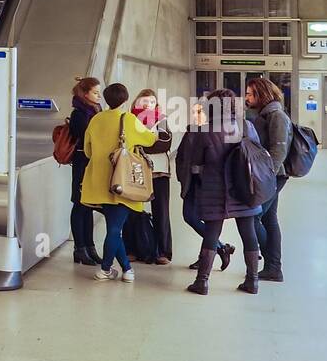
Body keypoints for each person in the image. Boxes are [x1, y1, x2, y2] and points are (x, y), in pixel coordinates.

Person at [184, 88, 268, 296]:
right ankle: (252, 281)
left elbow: (195, 165)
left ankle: (202, 282)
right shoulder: (246, 126)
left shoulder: (205, 131)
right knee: (248, 232)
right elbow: (256, 154)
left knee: (212, 234)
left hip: (215, 189)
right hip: (245, 188)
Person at [80, 82, 157, 281]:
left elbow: (88, 150)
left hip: (99, 180)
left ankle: (127, 270)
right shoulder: (129, 119)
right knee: (115, 228)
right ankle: (105, 269)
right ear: (125, 99)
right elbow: (150, 139)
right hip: (122, 181)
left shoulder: (96, 119)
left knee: (113, 227)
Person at [176, 99, 236, 275]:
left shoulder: (216, 132)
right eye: (194, 113)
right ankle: (221, 247)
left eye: (200, 112)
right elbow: (181, 156)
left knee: (209, 222)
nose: (196, 116)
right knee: (189, 217)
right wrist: (183, 176)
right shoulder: (191, 131)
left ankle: (207, 257)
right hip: (192, 182)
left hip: (209, 184)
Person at [246, 77, 292, 283]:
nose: (246, 96)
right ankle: (274, 267)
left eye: (250, 93)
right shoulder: (265, 114)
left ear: (261, 94)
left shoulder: (276, 115)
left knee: (253, 218)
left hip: (273, 175)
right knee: (268, 219)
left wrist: (265, 177)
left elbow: (279, 150)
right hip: (270, 175)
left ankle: (272, 264)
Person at [123, 89, 173, 264]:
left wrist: (140, 145)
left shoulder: (161, 119)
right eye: (143, 101)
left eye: (151, 102)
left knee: (161, 210)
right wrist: (149, 141)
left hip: (159, 171)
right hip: (135, 171)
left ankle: (163, 251)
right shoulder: (128, 119)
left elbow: (164, 144)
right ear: (135, 102)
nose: (147, 105)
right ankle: (132, 249)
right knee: (131, 210)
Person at [67, 77, 103, 266]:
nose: (99, 96)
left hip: (94, 164)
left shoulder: (96, 110)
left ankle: (90, 247)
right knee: (79, 205)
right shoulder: (79, 114)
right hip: (82, 163)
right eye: (95, 92)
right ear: (85, 93)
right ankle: (79, 248)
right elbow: (87, 138)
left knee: (88, 206)